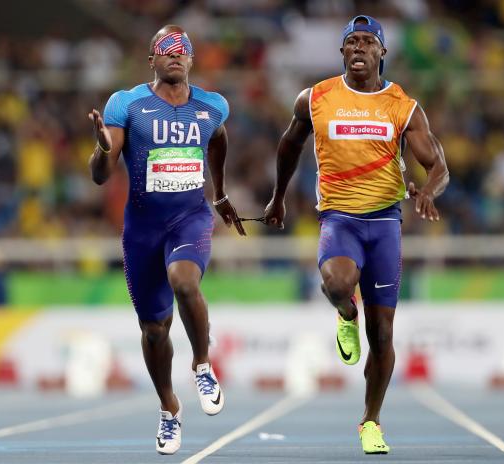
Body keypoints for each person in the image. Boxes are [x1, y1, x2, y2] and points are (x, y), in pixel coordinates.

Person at [264, 15, 449, 454]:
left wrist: (428, 190)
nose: (359, 48)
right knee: (336, 283)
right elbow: (289, 145)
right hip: (339, 219)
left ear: (383, 52)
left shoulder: (404, 106)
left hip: (385, 223)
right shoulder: (316, 98)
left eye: (368, 42)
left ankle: (370, 421)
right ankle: (345, 314)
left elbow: (439, 165)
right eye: (351, 42)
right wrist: (278, 197)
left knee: (382, 334)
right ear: (342, 52)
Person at [88, 25, 246, 455]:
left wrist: (223, 192)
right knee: (155, 331)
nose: (175, 54)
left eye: (182, 49)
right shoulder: (127, 104)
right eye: (165, 49)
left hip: (190, 219)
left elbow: (218, 140)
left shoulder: (213, 106)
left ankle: (201, 364)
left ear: (191, 60)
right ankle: (169, 408)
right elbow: (101, 175)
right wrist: (103, 148)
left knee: (184, 281)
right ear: (151, 60)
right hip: (142, 230)